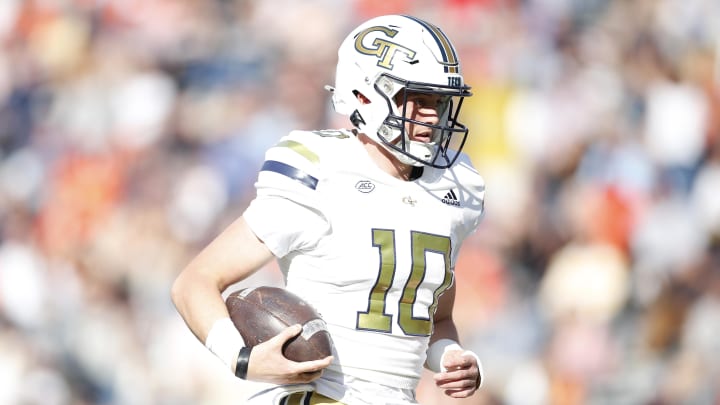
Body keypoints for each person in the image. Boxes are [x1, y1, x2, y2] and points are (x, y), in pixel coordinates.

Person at [171, 14, 485, 405]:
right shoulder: (322, 168)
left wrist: (452, 357)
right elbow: (195, 281)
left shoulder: (452, 186)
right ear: (365, 96)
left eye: (438, 102)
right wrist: (241, 358)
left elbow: (434, 318)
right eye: (417, 100)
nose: (433, 116)